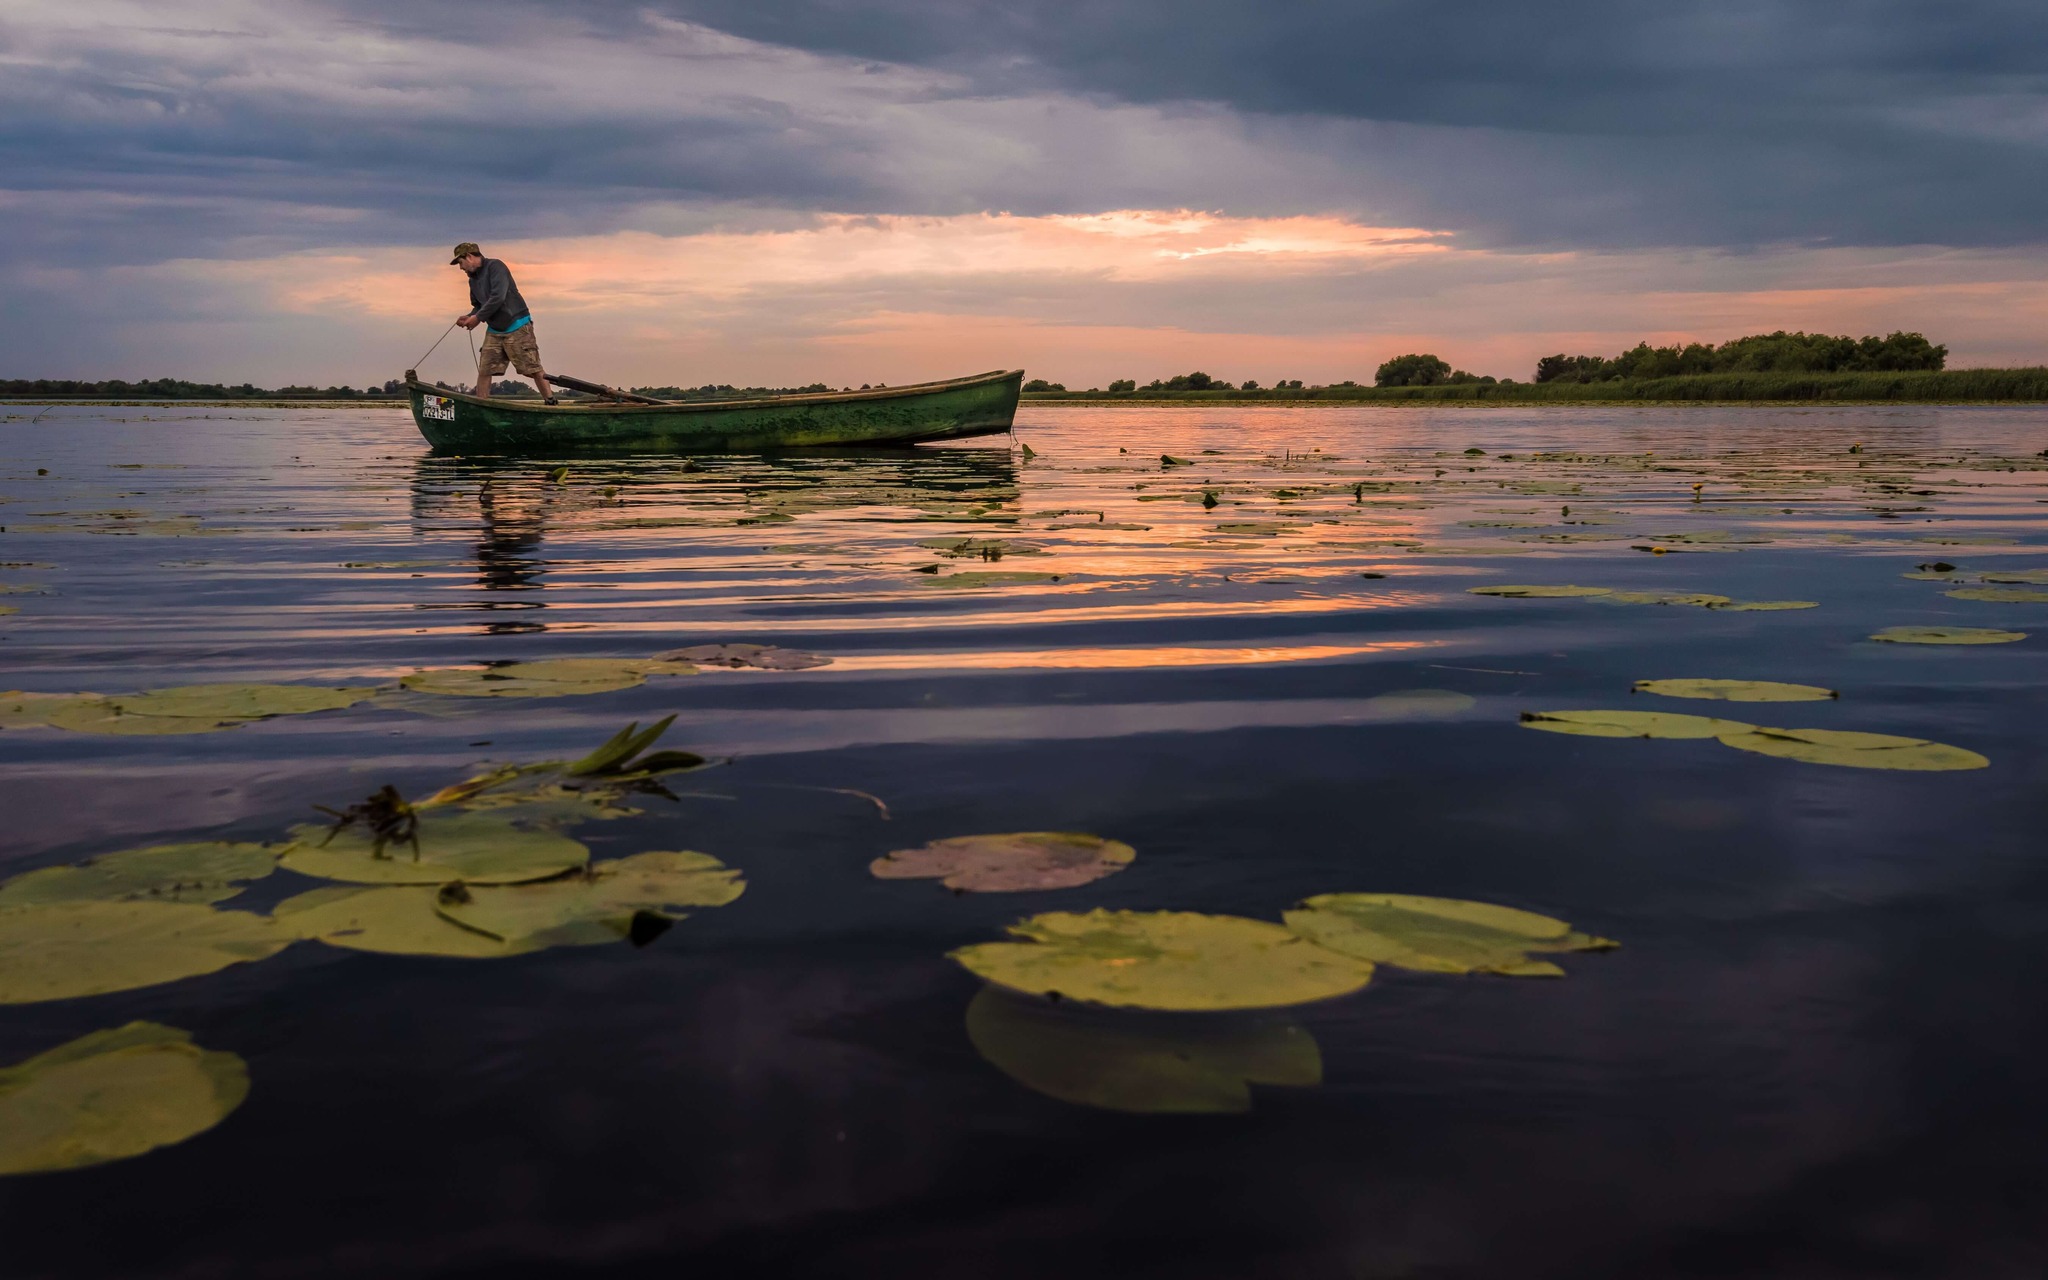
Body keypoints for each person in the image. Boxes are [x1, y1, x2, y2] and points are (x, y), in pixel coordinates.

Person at [451, 242, 555, 402]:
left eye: (460, 262)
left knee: (532, 368)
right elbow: (478, 306)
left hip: (517, 324)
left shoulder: (496, 266)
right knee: (485, 369)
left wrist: (477, 318)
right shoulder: (472, 280)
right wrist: (469, 316)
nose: (461, 268)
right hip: (495, 329)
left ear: (470, 257)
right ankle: (482, 407)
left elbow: (498, 297)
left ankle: (551, 402)